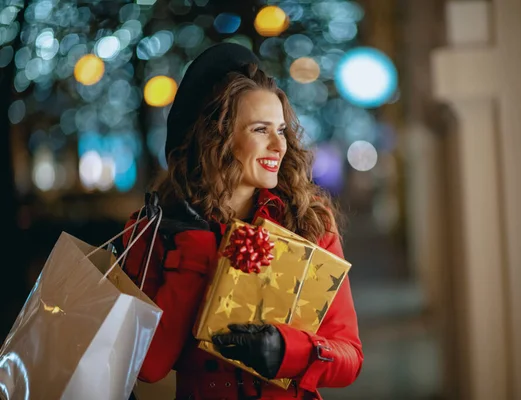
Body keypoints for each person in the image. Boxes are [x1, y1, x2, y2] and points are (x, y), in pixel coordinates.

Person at [122, 42, 363, 400]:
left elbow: (350, 356)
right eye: (260, 130)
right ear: (215, 137)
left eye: (281, 130)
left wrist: (286, 351)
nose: (279, 146)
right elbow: (148, 366)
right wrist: (194, 252)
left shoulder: (309, 221)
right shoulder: (155, 229)